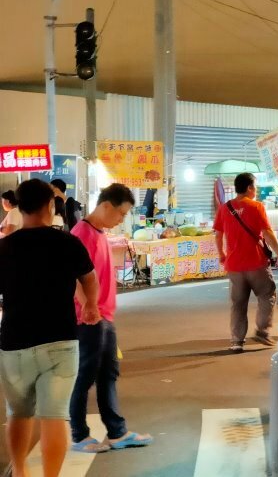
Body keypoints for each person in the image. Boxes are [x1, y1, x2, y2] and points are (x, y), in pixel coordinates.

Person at [0, 179, 101, 476]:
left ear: (19, 207)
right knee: (54, 416)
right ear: (49, 206)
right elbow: (89, 278)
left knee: (18, 414)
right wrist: (91, 306)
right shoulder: (67, 242)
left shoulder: (4, 247)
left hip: (15, 342)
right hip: (60, 339)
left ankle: (20, 471)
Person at [68, 183, 153, 454]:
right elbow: (73, 276)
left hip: (103, 315)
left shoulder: (98, 233)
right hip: (89, 317)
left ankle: (117, 432)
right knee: (84, 376)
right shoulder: (81, 234)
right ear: (106, 206)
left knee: (108, 373)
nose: (121, 220)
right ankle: (79, 435)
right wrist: (88, 306)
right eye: (121, 214)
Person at [214, 173, 278, 353]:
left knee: (238, 303)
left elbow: (218, 234)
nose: (256, 190)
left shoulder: (224, 208)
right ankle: (262, 330)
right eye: (255, 186)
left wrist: (221, 253)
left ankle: (237, 341)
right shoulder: (256, 206)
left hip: (234, 266)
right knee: (267, 295)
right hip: (256, 263)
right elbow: (267, 232)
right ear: (249, 188)